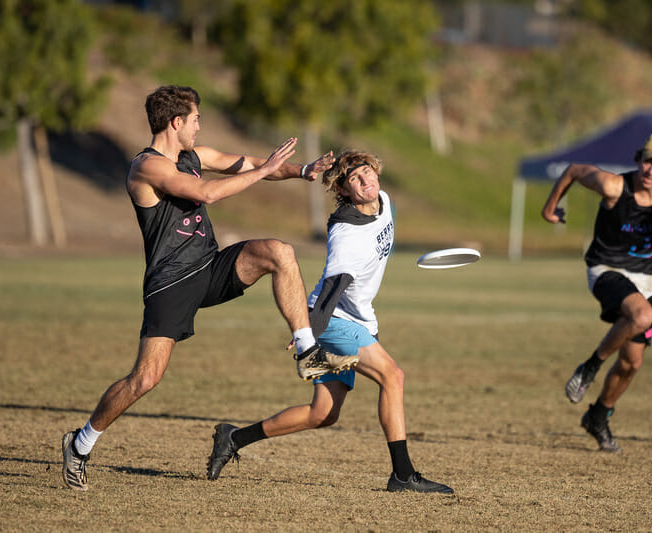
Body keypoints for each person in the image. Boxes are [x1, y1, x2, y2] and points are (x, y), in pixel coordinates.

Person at [61, 85, 358, 491]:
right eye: (196, 119)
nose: (200, 126)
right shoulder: (146, 168)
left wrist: (302, 170)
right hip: (171, 283)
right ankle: (80, 443)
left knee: (279, 253)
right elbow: (206, 193)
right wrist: (264, 168)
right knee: (144, 379)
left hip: (210, 265)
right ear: (176, 122)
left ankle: (307, 349)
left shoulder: (192, 156)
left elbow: (249, 163)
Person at [205, 150, 454, 494]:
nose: (366, 182)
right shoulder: (346, 234)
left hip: (358, 317)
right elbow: (333, 288)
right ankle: (403, 475)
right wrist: (306, 330)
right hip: (331, 319)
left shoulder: (382, 199)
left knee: (323, 413)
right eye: (355, 179)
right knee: (393, 377)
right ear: (344, 190)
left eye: (368, 173)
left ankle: (234, 437)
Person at [541, 133, 652, 452]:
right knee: (643, 315)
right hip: (606, 270)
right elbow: (574, 170)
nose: (651, 169)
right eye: (647, 161)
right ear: (638, 160)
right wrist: (550, 209)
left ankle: (598, 415)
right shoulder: (615, 186)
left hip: (646, 281)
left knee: (632, 363)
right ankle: (589, 366)